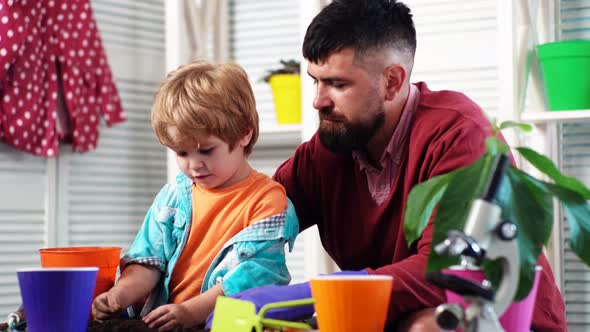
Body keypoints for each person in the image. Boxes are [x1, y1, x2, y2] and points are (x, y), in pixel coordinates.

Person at [209, 0, 568, 331]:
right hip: (391, 318)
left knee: (430, 326)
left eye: (338, 84)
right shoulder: (330, 147)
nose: (318, 101)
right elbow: (256, 219)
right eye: (316, 81)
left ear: (392, 81)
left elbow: (446, 272)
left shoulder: (460, 134)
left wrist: (315, 294)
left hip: (489, 320)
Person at [91, 60, 299, 331]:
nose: (194, 165)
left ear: (244, 133)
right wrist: (118, 295)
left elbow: (254, 279)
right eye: (181, 152)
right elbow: (147, 262)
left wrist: (190, 312)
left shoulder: (267, 200)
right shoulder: (174, 197)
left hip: (227, 324)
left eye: (206, 150)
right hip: (166, 321)